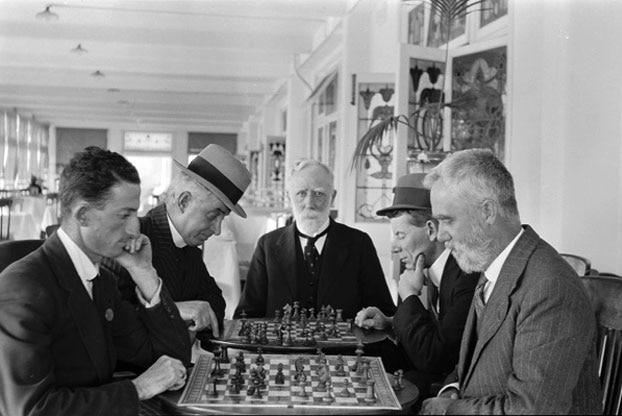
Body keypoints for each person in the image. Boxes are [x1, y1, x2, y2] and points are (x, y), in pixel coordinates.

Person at [0, 147, 191, 416]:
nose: (135, 228)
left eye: (135, 213)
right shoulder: (22, 290)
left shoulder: (102, 281)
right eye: (124, 215)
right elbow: (33, 410)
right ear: (83, 216)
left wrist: (144, 272)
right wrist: (137, 389)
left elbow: (172, 357)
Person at [420, 149, 602, 414]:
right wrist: (451, 391)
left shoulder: (550, 287)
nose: (439, 236)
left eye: (447, 220)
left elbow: (534, 409)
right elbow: (469, 367)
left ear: (488, 212)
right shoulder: (493, 266)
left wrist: (449, 410)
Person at [106, 144, 251, 341]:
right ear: (184, 201)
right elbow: (108, 320)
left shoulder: (188, 247)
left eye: (222, 218)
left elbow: (216, 304)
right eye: (213, 215)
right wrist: (174, 310)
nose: (217, 230)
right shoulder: (131, 241)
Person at [354, 173, 479, 399]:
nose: (394, 246)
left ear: (431, 230)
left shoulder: (467, 274)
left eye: (400, 235)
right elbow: (425, 338)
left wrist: (410, 296)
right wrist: (391, 323)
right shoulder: (420, 270)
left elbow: (435, 358)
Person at [235, 158, 395, 319]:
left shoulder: (359, 244)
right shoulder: (267, 246)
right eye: (301, 194)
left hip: (344, 344)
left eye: (319, 194)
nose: (309, 203)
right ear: (289, 197)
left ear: (332, 197)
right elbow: (247, 314)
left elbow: (383, 313)